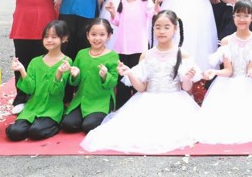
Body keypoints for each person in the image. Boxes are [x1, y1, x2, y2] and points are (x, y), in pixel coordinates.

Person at [81, 10, 202, 153]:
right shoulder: (147, 55)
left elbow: (186, 88)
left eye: (166, 27)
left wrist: (187, 79)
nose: (161, 31)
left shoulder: (182, 54)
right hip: (148, 99)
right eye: (157, 27)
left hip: (175, 99)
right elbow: (142, 88)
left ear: (175, 28)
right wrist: (130, 73)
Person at [5, 0, 64, 114]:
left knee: (44, 60)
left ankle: (41, 95)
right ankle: (21, 96)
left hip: (45, 21)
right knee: (22, 59)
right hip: (23, 20)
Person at [198, 0, 252, 144]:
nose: (242, 19)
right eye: (238, 15)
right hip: (229, 83)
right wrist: (215, 72)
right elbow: (228, 70)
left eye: (246, 15)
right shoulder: (226, 41)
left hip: (251, 82)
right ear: (233, 16)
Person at [5, 20, 70, 141]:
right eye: (46, 37)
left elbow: (55, 92)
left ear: (64, 38)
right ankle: (34, 125)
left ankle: (56, 122)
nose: (49, 40)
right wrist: (22, 70)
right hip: (33, 106)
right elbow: (30, 89)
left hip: (52, 107)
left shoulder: (66, 62)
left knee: (36, 131)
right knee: (14, 132)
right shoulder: (35, 61)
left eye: (54, 37)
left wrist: (59, 73)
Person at [104, 0, 157, 107]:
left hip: (139, 46)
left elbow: (153, 15)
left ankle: (138, 107)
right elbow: (117, 22)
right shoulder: (124, 1)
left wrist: (157, 3)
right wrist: (112, 12)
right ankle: (122, 106)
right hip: (123, 46)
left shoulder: (146, 0)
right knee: (123, 78)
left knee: (137, 77)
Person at [61, 19, 119, 133]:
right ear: (87, 35)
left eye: (102, 35)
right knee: (68, 124)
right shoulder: (81, 54)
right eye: (93, 34)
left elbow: (113, 82)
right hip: (82, 99)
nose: (97, 38)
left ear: (109, 36)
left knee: (89, 126)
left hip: (101, 100)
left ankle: (100, 116)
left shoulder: (113, 55)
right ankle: (85, 118)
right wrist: (75, 75)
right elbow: (74, 82)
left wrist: (105, 76)